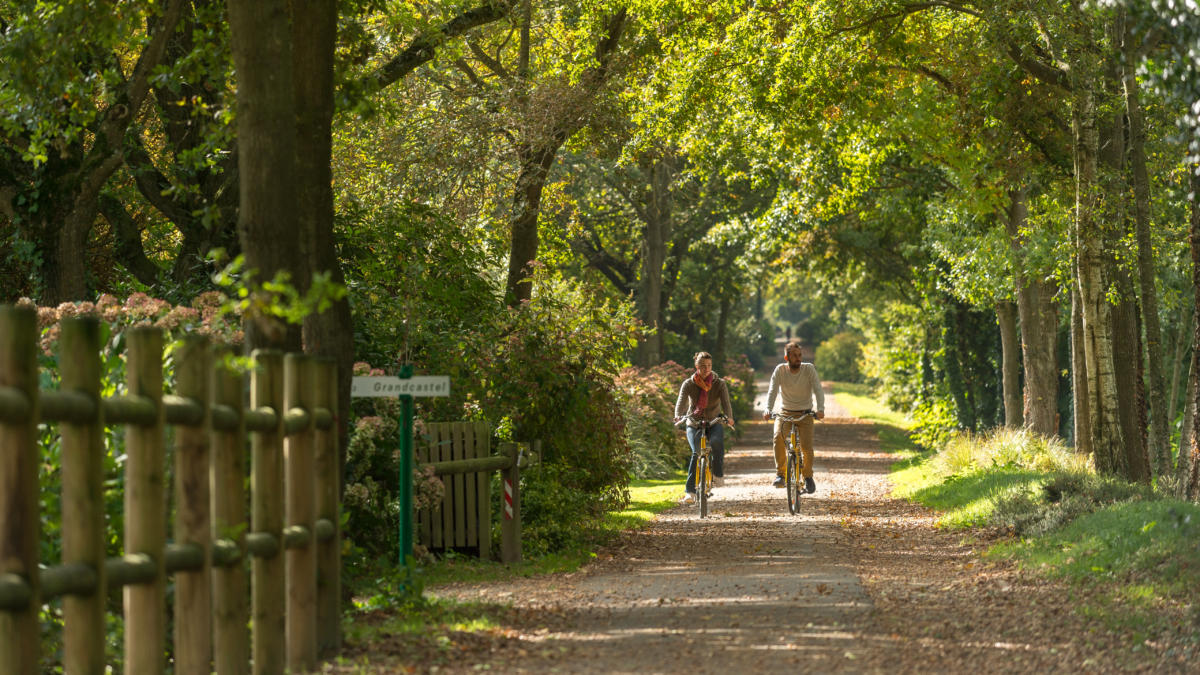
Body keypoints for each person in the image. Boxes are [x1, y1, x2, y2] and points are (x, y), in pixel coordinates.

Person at [762, 340, 825, 493]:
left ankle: (808, 476)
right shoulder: (780, 370)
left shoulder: (808, 369)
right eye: (794, 356)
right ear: (787, 358)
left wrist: (820, 409)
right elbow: (772, 391)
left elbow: (818, 389)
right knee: (778, 438)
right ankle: (781, 475)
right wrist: (768, 409)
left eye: (800, 355)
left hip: (805, 414)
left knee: (806, 447)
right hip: (785, 413)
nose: (798, 358)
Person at [674, 351, 735, 504]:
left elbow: (726, 402)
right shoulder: (689, 383)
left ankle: (718, 474)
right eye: (702, 366)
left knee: (716, 442)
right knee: (696, 453)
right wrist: (678, 415)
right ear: (696, 366)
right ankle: (690, 492)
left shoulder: (719, 383)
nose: (706, 369)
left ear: (711, 366)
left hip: (714, 421)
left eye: (709, 366)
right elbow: (681, 401)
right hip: (694, 423)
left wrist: (729, 417)